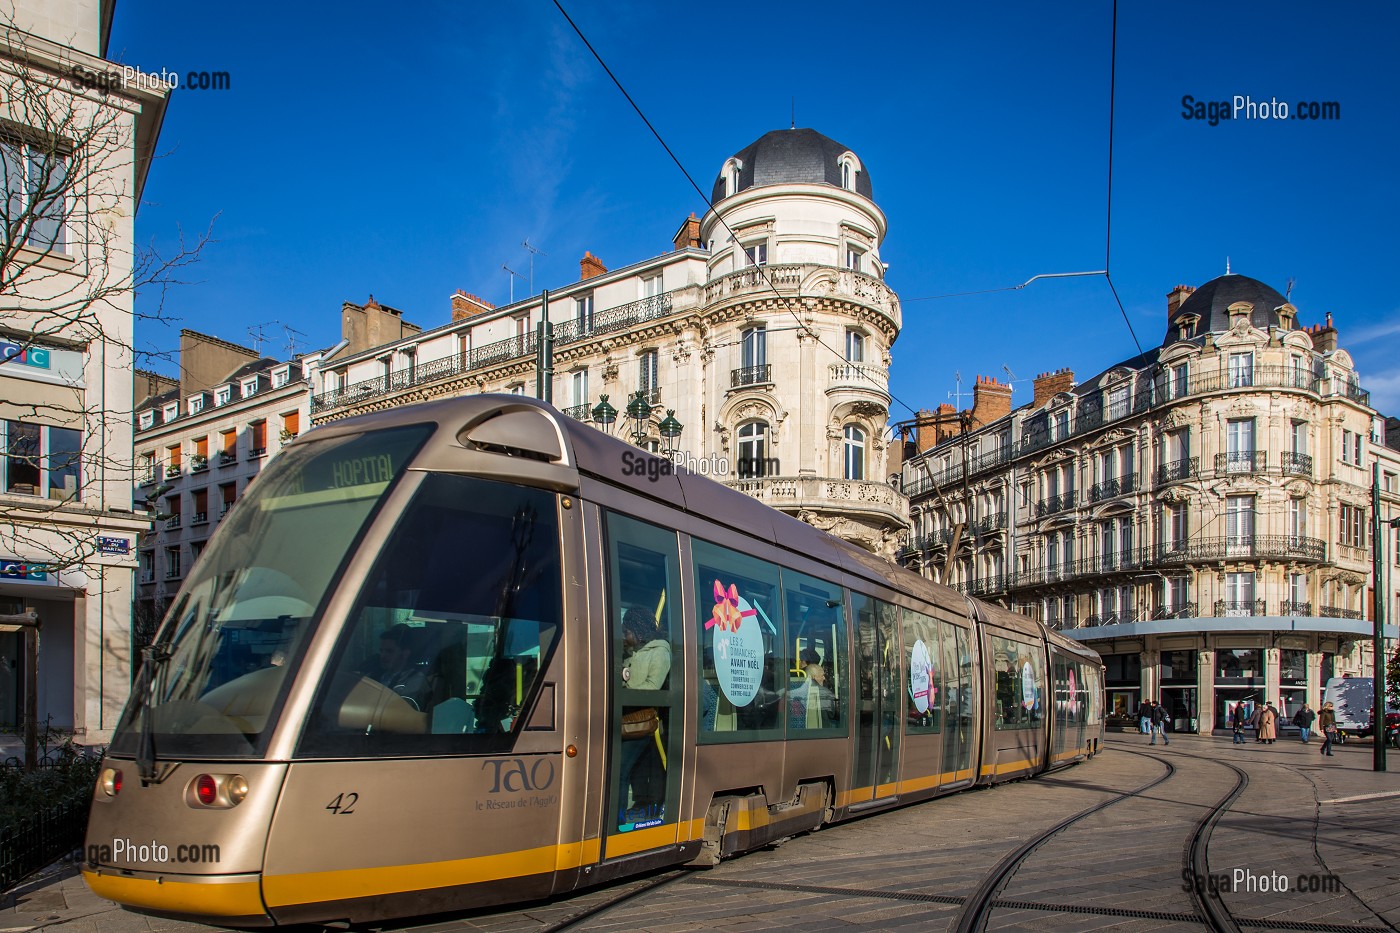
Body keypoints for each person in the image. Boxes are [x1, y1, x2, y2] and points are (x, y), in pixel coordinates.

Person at [618, 607, 671, 822]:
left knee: (620, 772)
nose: (624, 636)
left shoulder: (660, 652)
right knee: (633, 773)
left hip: (644, 723)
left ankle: (616, 821)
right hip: (626, 719)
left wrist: (624, 689)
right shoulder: (631, 651)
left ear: (638, 631)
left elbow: (652, 686)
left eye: (627, 631)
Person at [374, 623, 429, 710]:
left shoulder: (416, 680)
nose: (383, 656)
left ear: (405, 654)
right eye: (381, 651)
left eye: (389, 651)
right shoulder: (378, 675)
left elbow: (401, 711)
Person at [793, 647, 836, 729]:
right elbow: (831, 714)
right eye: (822, 676)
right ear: (813, 677)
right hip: (822, 731)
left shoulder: (794, 690)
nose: (824, 678)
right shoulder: (825, 693)